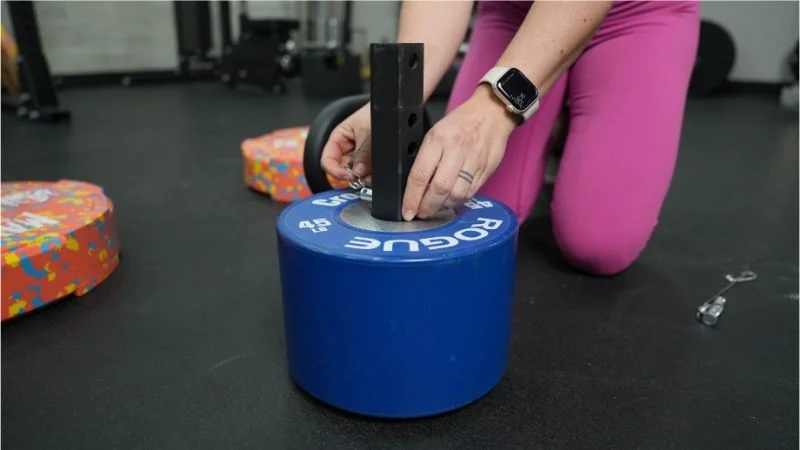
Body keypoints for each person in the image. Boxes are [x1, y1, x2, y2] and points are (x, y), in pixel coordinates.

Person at [320, 0, 700, 276]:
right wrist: (395, 100)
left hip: (637, 13)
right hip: (512, 13)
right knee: (466, 219)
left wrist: (492, 110)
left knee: (598, 245)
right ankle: (556, 120)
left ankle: (572, 127)